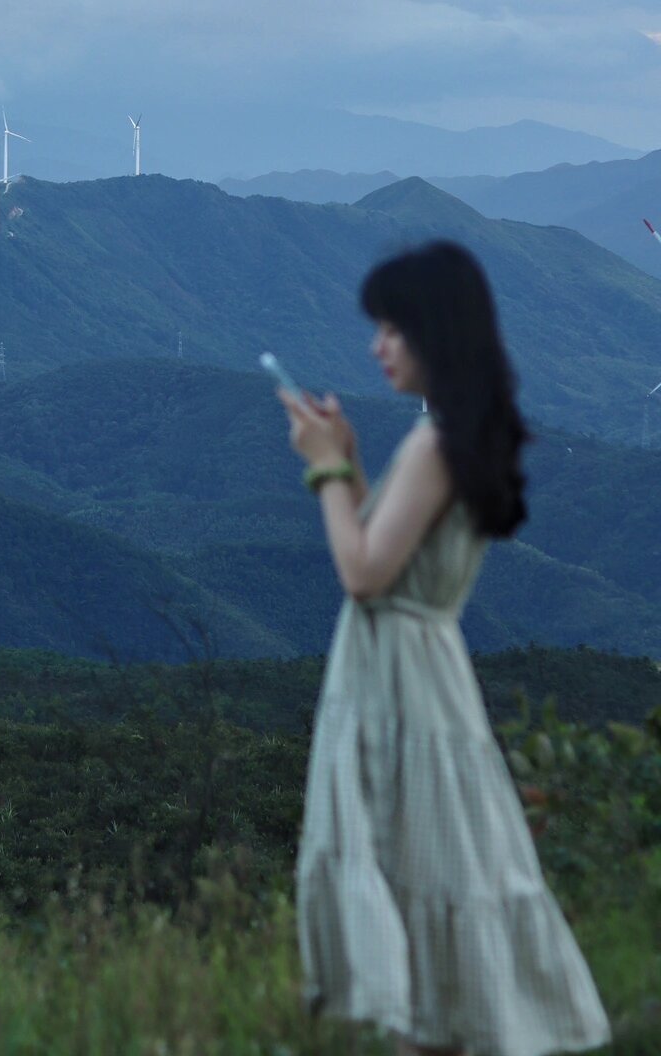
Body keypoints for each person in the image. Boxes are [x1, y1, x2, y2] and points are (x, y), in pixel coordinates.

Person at [277, 239, 611, 1056]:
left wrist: (321, 473)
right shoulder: (458, 437)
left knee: (417, 880)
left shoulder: (433, 447)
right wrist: (352, 462)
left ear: (436, 333)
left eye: (391, 329)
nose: (376, 346)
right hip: (428, 676)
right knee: (435, 885)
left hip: (402, 687)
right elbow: (390, 557)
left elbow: (362, 573)